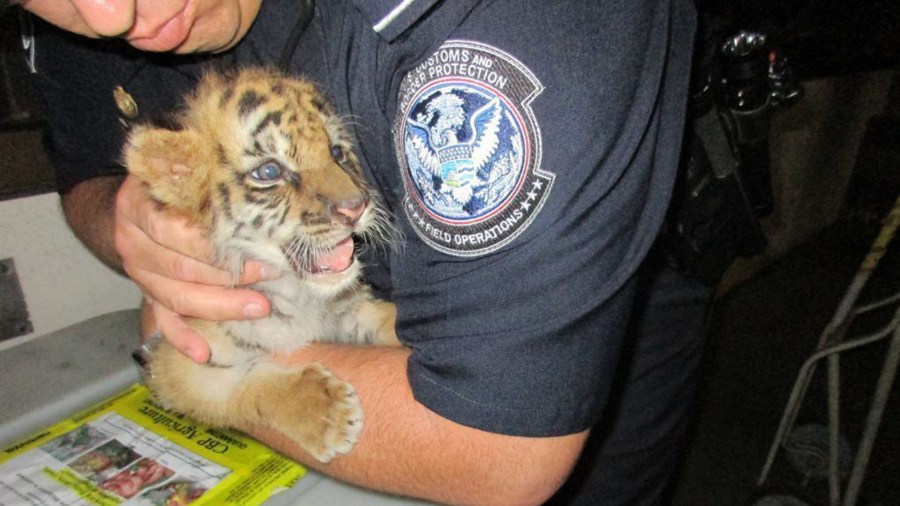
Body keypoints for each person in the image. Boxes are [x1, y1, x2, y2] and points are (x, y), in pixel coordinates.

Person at [19, 0, 710, 504]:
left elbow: (494, 447)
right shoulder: (82, 20)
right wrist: (126, 222)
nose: (108, 16)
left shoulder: (497, 19)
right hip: (348, 333)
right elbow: (87, 170)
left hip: (578, 329)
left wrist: (244, 383)